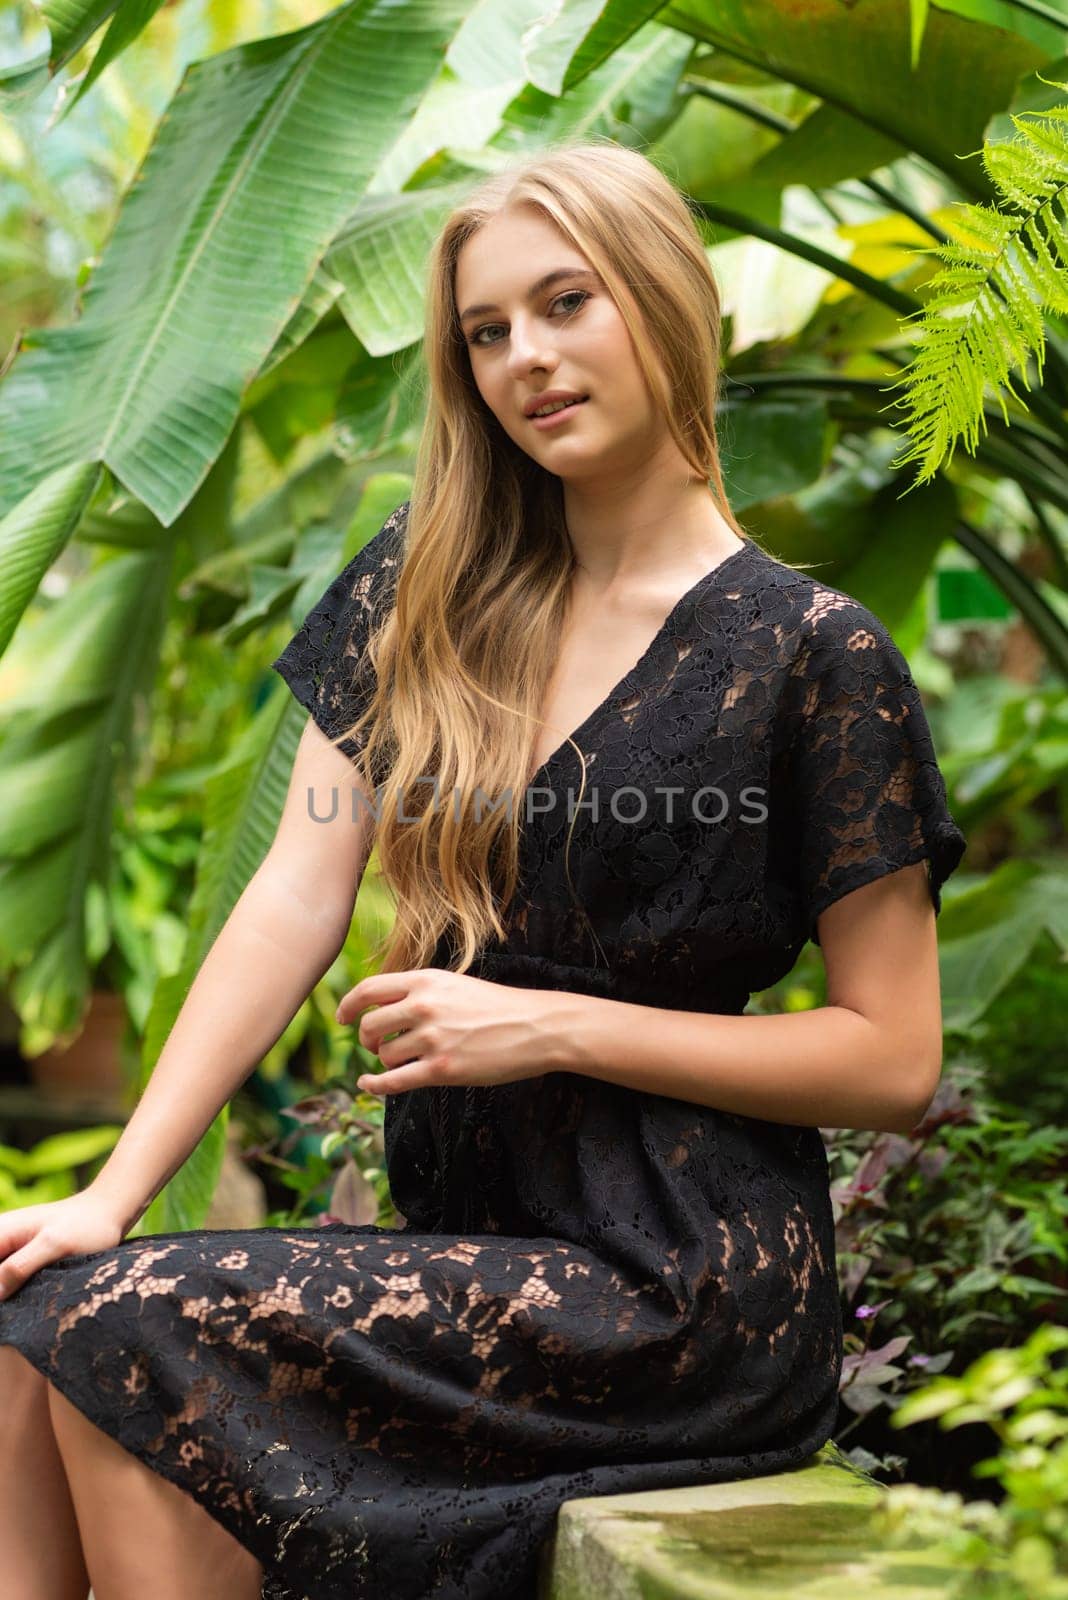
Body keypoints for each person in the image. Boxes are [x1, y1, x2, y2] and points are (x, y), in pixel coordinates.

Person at [0, 136, 967, 1600]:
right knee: (40, 1315)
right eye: (487, 331)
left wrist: (550, 1027)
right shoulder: (430, 588)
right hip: (482, 1241)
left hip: (683, 1281)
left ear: (666, 300)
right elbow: (293, 898)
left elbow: (892, 1058)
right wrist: (114, 1192)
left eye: (568, 302)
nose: (528, 357)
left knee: (136, 1336)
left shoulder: (812, 654)